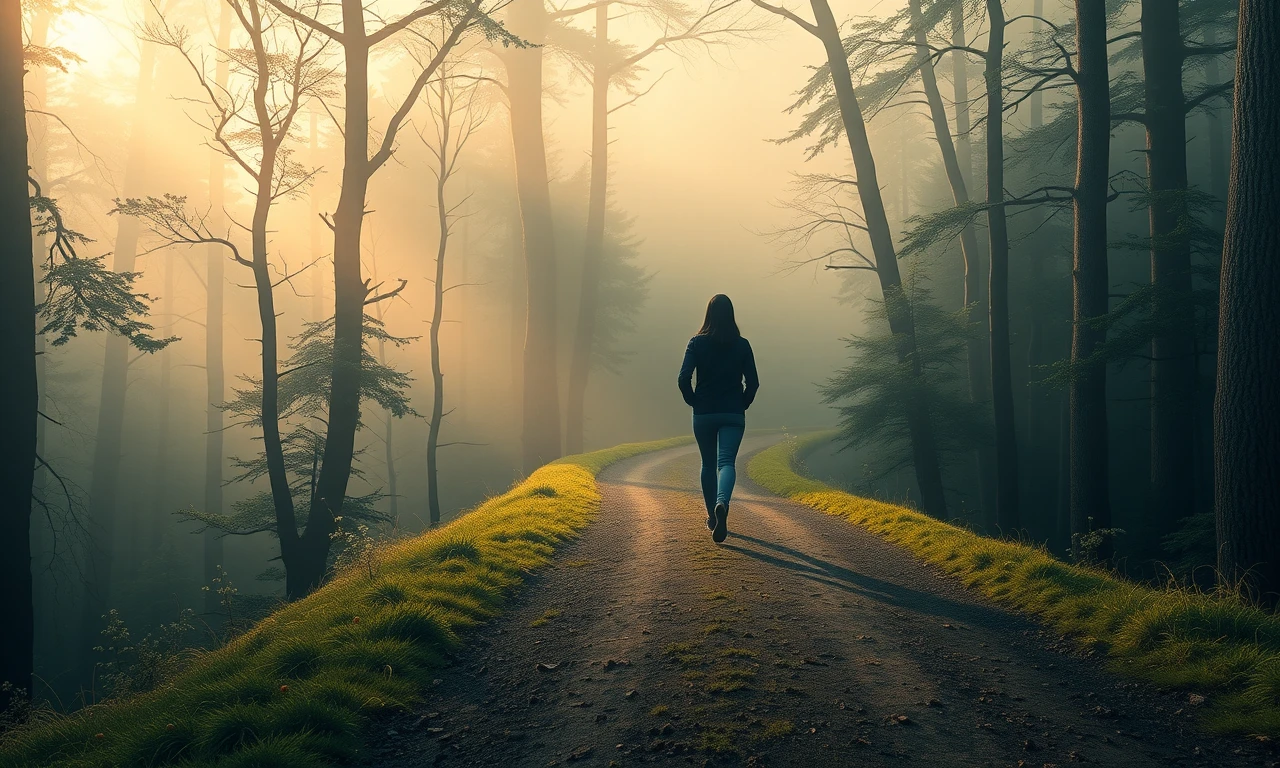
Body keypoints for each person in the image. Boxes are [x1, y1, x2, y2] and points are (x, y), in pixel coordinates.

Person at [677, 294, 760, 543]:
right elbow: (753, 383)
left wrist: (694, 401)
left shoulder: (696, 343)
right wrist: (741, 404)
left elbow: (683, 378)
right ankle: (722, 503)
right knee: (727, 463)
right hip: (733, 412)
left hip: (704, 412)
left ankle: (712, 518)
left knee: (707, 464)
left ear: (709, 314)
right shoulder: (743, 344)